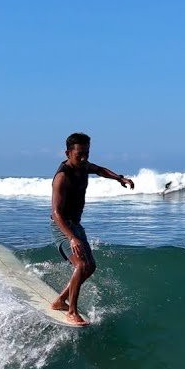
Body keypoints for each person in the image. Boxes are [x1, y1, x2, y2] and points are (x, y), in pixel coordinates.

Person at [50, 132, 134, 326]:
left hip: (76, 225)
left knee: (90, 267)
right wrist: (71, 237)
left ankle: (59, 301)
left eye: (86, 153)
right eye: (79, 154)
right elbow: (56, 213)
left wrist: (119, 178)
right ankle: (71, 311)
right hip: (62, 227)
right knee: (81, 265)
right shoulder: (62, 177)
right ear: (68, 152)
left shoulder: (83, 166)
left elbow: (100, 170)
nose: (84, 157)